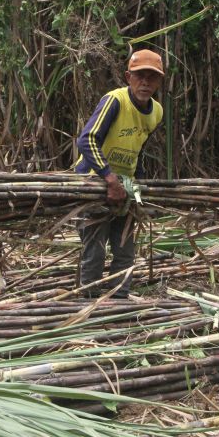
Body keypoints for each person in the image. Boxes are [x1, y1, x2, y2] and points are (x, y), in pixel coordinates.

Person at [74, 49, 164, 298]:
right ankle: (88, 301)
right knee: (95, 248)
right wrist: (109, 179)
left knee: (124, 247)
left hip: (126, 186)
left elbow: (140, 150)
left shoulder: (156, 112)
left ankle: (119, 300)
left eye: (152, 77)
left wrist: (139, 186)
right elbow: (87, 139)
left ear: (159, 82)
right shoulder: (115, 101)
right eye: (139, 76)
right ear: (128, 77)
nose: (145, 82)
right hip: (93, 180)